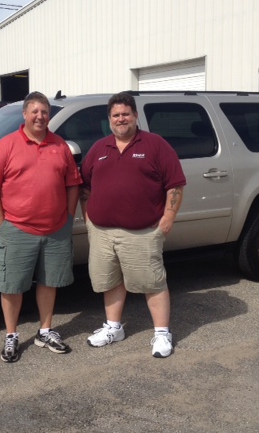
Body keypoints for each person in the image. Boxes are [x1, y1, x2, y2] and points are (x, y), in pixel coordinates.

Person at [80, 91, 186, 358]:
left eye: (126, 114)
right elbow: (85, 186)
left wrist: (168, 217)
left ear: (136, 116)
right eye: (115, 115)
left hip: (142, 233)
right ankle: (114, 328)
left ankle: (162, 334)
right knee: (110, 281)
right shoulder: (99, 148)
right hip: (103, 233)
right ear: (109, 120)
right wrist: (89, 218)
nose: (121, 119)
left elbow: (175, 184)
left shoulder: (155, 145)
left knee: (152, 283)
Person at [0, 91, 82, 363]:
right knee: (12, 286)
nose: (40, 116)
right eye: (35, 111)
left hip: (55, 230)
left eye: (45, 112)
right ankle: (12, 335)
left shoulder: (60, 145)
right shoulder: (6, 146)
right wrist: (2, 224)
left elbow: (73, 183)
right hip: (17, 229)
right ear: (24, 114)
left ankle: (45, 330)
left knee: (50, 282)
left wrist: (68, 216)